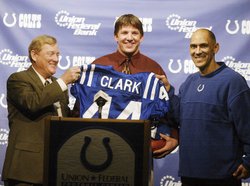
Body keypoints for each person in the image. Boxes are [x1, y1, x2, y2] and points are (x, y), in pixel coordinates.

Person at [159, 28, 250, 186]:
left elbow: (247, 126)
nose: (198, 51)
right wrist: (168, 91)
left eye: (203, 46)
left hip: (223, 177)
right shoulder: (189, 83)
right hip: (189, 175)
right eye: (193, 46)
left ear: (215, 48)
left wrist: (249, 161)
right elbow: (179, 118)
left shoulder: (233, 82)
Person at [2, 35, 81, 186]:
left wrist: (86, 101)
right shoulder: (18, 79)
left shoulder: (58, 87)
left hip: (57, 169)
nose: (56, 59)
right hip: (25, 172)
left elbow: (65, 120)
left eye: (57, 54)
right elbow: (33, 103)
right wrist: (63, 81)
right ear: (34, 55)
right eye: (50, 53)